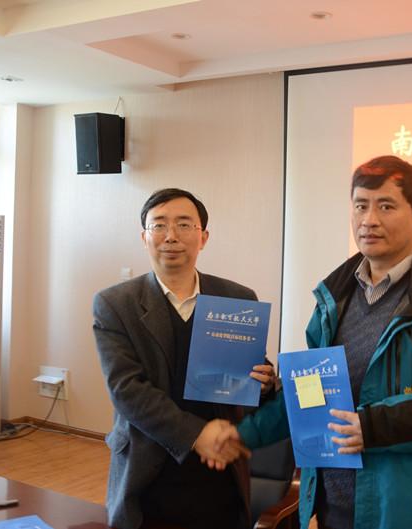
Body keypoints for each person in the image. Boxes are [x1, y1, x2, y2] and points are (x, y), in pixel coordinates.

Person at [228, 155, 412, 529]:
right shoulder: (335, 295)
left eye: (386, 206)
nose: (369, 219)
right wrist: (241, 435)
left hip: (411, 516)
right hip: (333, 510)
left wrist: (376, 426)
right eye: (361, 205)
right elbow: (313, 395)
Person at [92, 188, 275, 529]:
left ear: (203, 237)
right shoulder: (115, 304)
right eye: (159, 225)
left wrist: (264, 382)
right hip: (147, 471)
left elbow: (250, 374)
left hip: (220, 468)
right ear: (144, 237)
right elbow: (126, 390)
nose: (171, 236)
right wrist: (196, 435)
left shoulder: (237, 298)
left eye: (184, 225)